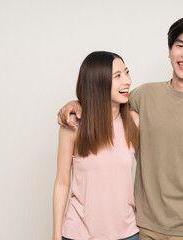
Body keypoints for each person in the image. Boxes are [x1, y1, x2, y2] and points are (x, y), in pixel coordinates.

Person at [58, 16, 183, 240]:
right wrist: (76, 104)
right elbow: (106, 99)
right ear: (169, 50)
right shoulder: (143, 97)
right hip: (143, 229)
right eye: (180, 45)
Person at [53, 51, 140, 240]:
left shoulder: (134, 121)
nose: (128, 80)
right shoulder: (73, 125)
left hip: (127, 234)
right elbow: (62, 182)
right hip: (79, 233)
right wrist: (56, 234)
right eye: (117, 76)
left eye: (126, 72)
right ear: (97, 82)